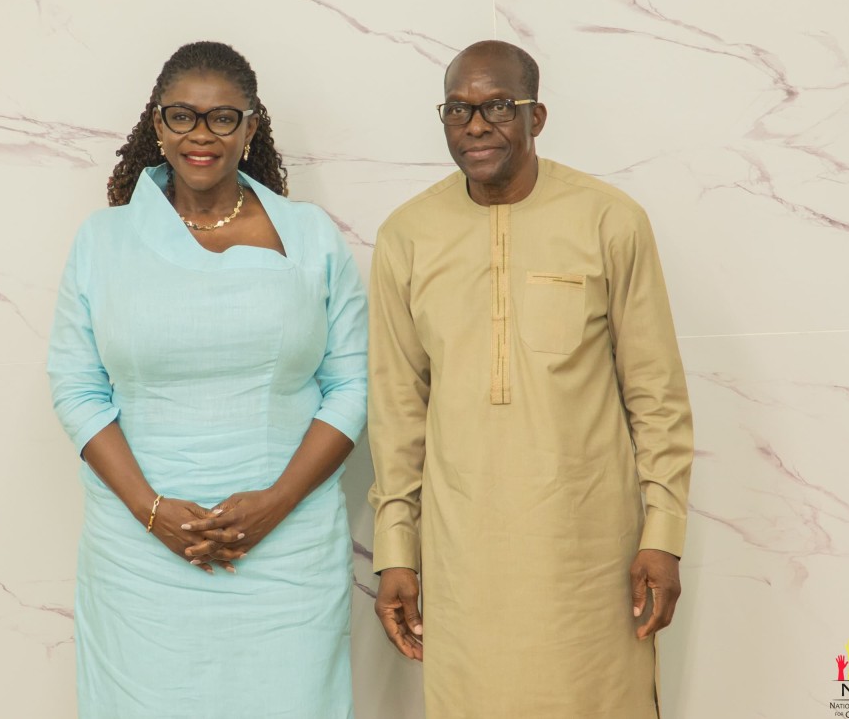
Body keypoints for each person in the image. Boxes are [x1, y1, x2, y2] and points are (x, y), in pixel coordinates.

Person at [367, 40, 693, 718]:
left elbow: (656, 396)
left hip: (589, 554)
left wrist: (662, 533)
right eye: (458, 110)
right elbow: (397, 411)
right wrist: (396, 547)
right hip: (463, 557)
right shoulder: (407, 236)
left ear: (535, 117)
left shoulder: (610, 220)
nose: (475, 126)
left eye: (496, 107)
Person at [48, 41, 366, 718]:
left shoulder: (309, 236)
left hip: (288, 552)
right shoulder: (103, 241)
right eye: (183, 116)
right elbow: (77, 388)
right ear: (157, 125)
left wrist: (276, 503)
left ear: (250, 127)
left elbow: (352, 383)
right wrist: (152, 511)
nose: (201, 134)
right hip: (139, 556)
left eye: (223, 118)